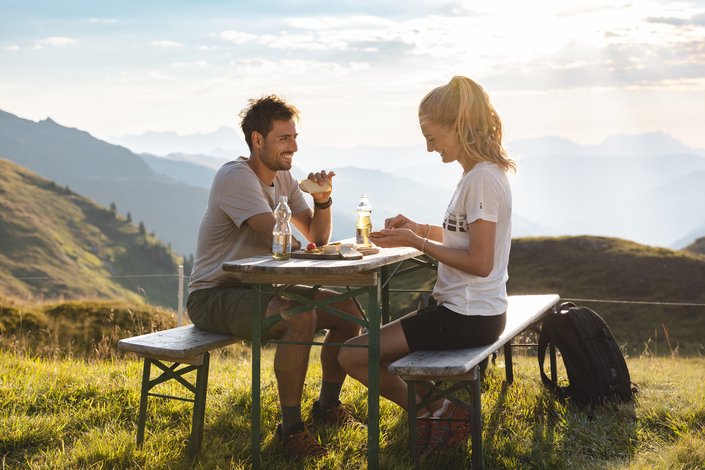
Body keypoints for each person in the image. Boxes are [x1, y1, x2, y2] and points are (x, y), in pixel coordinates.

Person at [338, 76, 515, 454]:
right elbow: (463, 236)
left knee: (352, 354)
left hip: (465, 316)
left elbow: (480, 261)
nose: (429, 147)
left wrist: (417, 243)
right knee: (364, 349)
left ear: (459, 127)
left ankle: (439, 409)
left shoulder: (481, 179)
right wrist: (418, 228)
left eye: (433, 137)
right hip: (473, 311)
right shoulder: (477, 174)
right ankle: (440, 409)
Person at [187, 95, 363, 459]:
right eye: (284, 138)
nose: (294, 147)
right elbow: (277, 236)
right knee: (299, 316)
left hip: (257, 288)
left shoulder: (283, 178)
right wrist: (308, 248)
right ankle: (291, 429)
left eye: (294, 137)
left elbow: (315, 238)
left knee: (347, 310)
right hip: (215, 295)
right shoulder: (235, 177)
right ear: (257, 140)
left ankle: (327, 407)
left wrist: (323, 201)